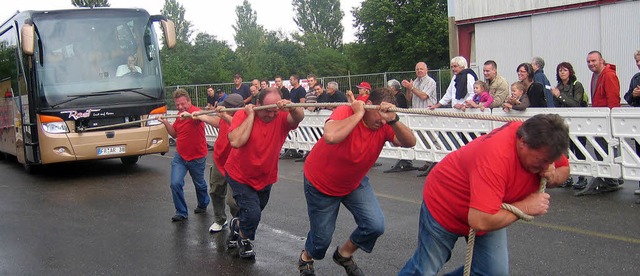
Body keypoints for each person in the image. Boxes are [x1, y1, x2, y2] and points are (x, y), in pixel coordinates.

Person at [399, 114, 570, 276]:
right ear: (523, 143)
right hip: (446, 205)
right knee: (425, 269)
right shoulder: (496, 157)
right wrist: (525, 206)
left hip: (489, 206)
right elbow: (479, 220)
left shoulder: (546, 141)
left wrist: (554, 177)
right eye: (542, 161)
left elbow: (564, 169)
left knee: (493, 273)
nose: (546, 166)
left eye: (550, 161)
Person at [298, 88, 416, 276]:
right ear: (369, 106)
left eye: (387, 117)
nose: (383, 121)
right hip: (321, 183)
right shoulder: (347, 111)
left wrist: (393, 120)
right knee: (321, 240)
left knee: (375, 225)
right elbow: (330, 136)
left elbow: (410, 142)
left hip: (353, 183)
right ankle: (306, 256)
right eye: (380, 116)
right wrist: (358, 113)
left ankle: (344, 254)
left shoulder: (385, 122)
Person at [224, 87, 304, 259]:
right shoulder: (242, 115)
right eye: (267, 110)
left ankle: (237, 226)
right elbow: (236, 141)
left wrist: (292, 106)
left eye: (274, 110)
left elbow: (299, 117)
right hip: (240, 175)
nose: (271, 115)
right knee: (253, 213)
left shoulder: (280, 116)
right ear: (258, 104)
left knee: (252, 212)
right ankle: (244, 241)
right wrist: (251, 116)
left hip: (265, 176)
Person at [192, 94, 244, 233]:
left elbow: (236, 124)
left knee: (233, 201)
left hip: (236, 164)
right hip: (219, 159)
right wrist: (199, 115)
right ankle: (220, 220)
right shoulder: (224, 118)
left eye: (226, 106)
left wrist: (224, 115)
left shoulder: (244, 119)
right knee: (215, 191)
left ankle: (239, 224)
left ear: (235, 109)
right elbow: (215, 122)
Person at [159, 89, 210, 222]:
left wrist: (191, 114)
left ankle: (203, 204)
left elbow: (201, 116)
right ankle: (181, 212)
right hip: (180, 157)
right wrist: (165, 122)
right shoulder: (179, 116)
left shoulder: (196, 111)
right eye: (177, 105)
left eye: (182, 104)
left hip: (197, 157)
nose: (180, 107)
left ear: (189, 101)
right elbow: (174, 134)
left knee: (200, 184)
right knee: (175, 183)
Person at [578, 51, 622, 195]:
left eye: (593, 61)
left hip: (606, 120)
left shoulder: (608, 75)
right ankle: (610, 178)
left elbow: (613, 99)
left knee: (606, 149)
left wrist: (611, 120)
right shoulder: (596, 75)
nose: (591, 64)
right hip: (599, 118)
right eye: (588, 62)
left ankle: (611, 179)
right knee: (601, 148)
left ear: (601, 60)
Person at [550, 62, 588, 188]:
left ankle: (582, 177)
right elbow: (556, 105)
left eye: (565, 70)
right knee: (566, 151)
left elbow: (575, 103)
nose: (562, 72)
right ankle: (568, 176)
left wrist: (559, 95)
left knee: (580, 150)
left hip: (579, 122)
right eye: (560, 70)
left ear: (570, 72)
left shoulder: (577, 85)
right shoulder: (558, 86)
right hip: (564, 123)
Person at [384, 79, 415, 173]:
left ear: (393, 88)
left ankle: (406, 160)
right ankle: (404, 159)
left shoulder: (400, 96)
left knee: (403, 139)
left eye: (388, 87)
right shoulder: (396, 96)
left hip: (401, 120)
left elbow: (398, 108)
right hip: (399, 120)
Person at [623, 50, 640, 198]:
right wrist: (633, 95)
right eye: (637, 61)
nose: (638, 63)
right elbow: (627, 97)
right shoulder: (635, 78)